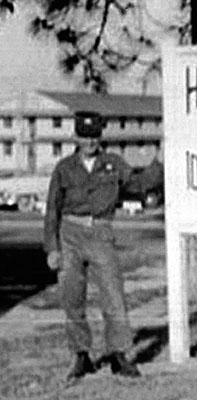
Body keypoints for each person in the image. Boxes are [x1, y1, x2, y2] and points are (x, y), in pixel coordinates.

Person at [43, 111, 163, 383]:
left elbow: (140, 184)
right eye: (84, 137)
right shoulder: (64, 167)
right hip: (69, 234)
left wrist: (159, 162)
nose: (89, 142)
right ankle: (81, 356)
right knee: (72, 298)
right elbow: (52, 209)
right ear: (76, 137)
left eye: (94, 137)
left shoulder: (113, 164)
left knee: (113, 295)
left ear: (100, 137)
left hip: (101, 232)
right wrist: (52, 248)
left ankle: (119, 355)